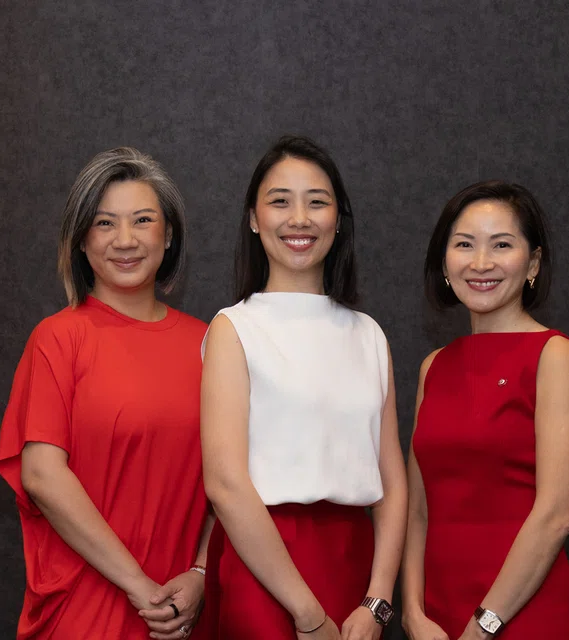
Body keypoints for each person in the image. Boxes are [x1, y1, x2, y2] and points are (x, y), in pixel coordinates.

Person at [0, 147, 214, 640]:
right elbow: (42, 475)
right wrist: (139, 588)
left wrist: (200, 574)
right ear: (81, 241)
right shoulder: (58, 338)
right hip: (85, 607)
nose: (126, 240)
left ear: (169, 233)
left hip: (180, 614)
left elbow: (234, 479)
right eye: (104, 223)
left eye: (142, 219)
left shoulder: (211, 343)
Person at [200, 135, 408, 640]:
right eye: (279, 201)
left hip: (355, 568)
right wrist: (306, 613)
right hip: (264, 568)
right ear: (253, 218)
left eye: (317, 201)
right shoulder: (234, 329)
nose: (299, 218)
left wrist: (378, 600)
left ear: (338, 220)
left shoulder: (368, 334)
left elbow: (393, 483)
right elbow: (226, 484)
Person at [401, 181, 569, 640]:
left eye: (501, 245)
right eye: (464, 244)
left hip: (519, 612)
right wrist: (411, 612)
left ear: (533, 263)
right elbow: (418, 509)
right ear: (444, 262)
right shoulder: (434, 367)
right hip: (436, 617)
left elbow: (557, 514)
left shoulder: (554, 355)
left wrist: (484, 626)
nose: (480, 263)